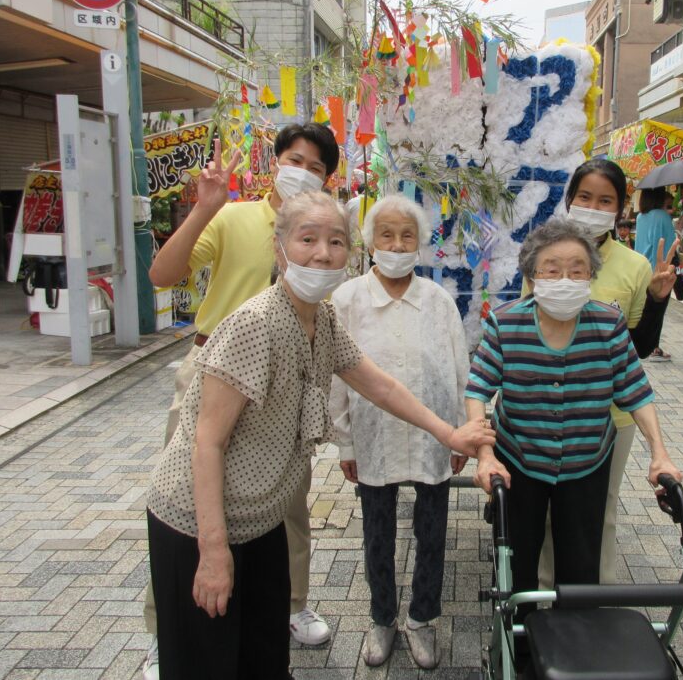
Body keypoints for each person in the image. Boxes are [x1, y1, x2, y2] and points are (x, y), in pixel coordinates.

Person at [146, 191, 494, 680]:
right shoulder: (254, 324)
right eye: (307, 238)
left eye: (335, 241)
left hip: (261, 518)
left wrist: (450, 432)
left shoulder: (322, 318)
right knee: (209, 659)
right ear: (280, 246)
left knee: (265, 652)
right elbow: (209, 442)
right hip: (199, 525)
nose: (323, 253)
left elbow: (381, 385)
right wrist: (214, 551)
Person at [143, 123, 339, 678]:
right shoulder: (234, 217)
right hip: (212, 374)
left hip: (285, 387)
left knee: (285, 504)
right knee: (190, 500)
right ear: (276, 161)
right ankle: (173, 626)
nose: (302, 170)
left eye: (317, 166)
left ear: (328, 179)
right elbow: (162, 274)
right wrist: (204, 208)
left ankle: (289, 607)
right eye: (294, 158)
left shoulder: (318, 231)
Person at [467, 219, 682, 670]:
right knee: (517, 562)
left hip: (587, 460)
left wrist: (659, 452)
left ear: (591, 275)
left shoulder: (606, 323)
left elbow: (635, 391)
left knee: (580, 564)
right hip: (519, 461)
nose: (565, 279)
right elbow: (477, 390)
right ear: (531, 275)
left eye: (577, 269)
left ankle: (580, 655)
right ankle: (518, 653)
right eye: (551, 269)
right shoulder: (506, 324)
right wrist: (485, 454)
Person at [330, 196, 468, 669]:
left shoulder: (437, 300)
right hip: (373, 435)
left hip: (435, 437)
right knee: (377, 533)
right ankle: (382, 617)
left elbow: (459, 370)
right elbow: (336, 378)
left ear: (421, 243)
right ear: (369, 242)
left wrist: (460, 433)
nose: (396, 243)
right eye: (386, 234)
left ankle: (423, 619)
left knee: (432, 533)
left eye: (406, 235)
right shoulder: (347, 300)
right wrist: (345, 440)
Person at [532, 158, 676, 590]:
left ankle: (594, 602)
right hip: (544, 416)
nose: (593, 206)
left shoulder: (635, 266)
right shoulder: (543, 251)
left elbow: (637, 351)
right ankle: (540, 603)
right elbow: (525, 328)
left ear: (620, 207)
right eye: (585, 197)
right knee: (544, 514)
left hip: (610, 419)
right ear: (570, 199)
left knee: (602, 512)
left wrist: (656, 301)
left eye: (605, 200)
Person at [635, 187, 677, 361]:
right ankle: (654, 346)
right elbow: (665, 244)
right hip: (659, 272)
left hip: (640, 269)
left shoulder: (640, 216)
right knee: (657, 310)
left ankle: (651, 345)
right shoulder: (662, 216)